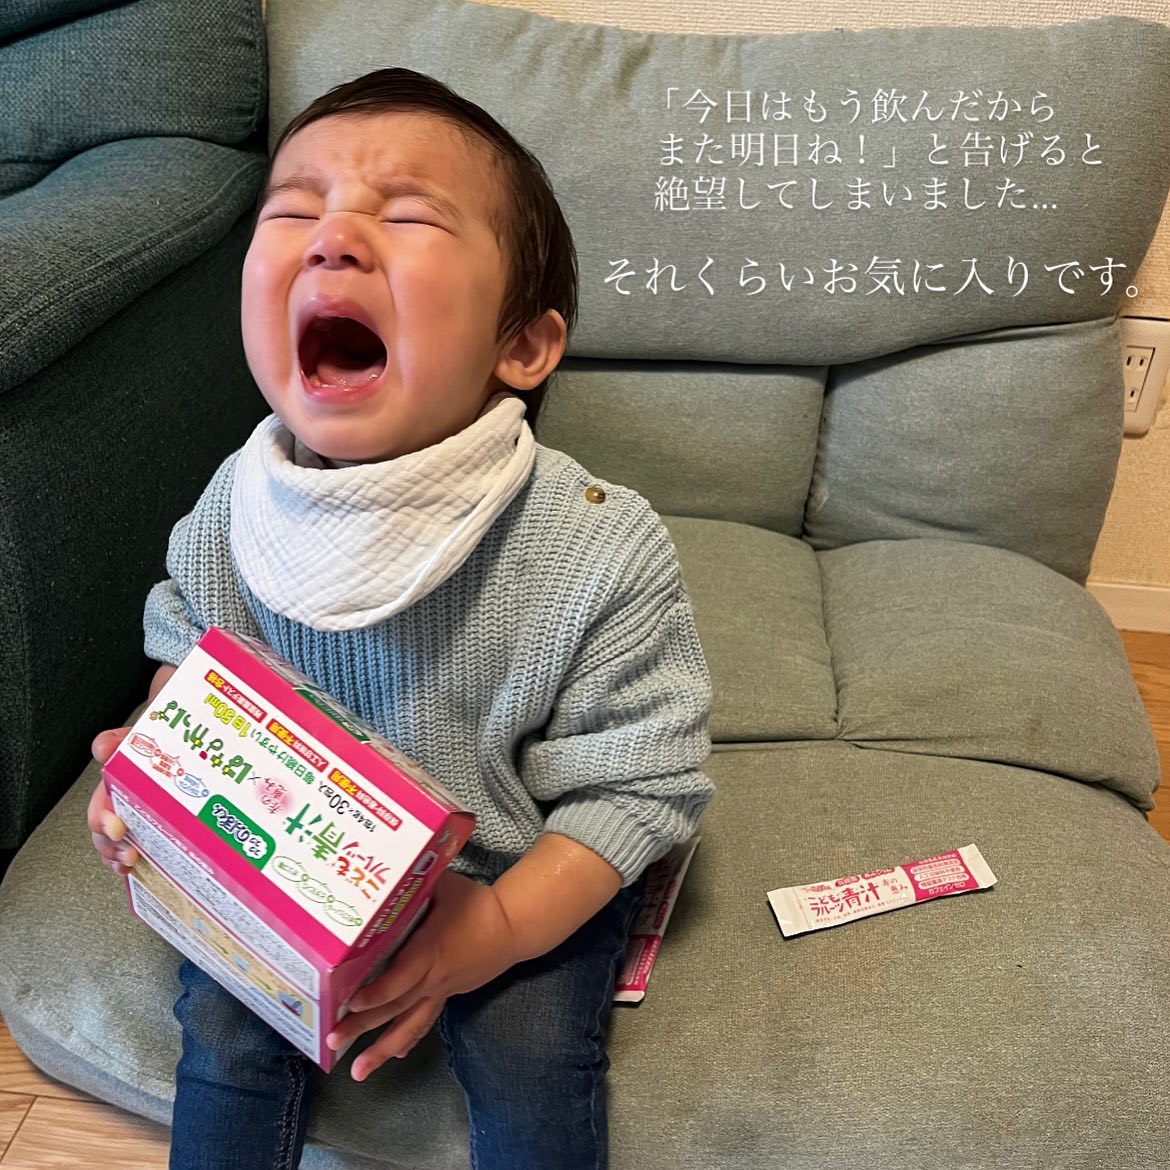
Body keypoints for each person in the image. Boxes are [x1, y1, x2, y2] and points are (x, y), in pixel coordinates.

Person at [86, 67, 714, 1170]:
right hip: (299, 860)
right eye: (294, 210)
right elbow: (190, 657)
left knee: (529, 1053)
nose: (333, 241)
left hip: (511, 860)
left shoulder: (598, 549)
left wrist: (499, 929)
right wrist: (159, 772)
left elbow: (635, 788)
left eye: (410, 216)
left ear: (523, 346)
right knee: (226, 1033)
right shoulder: (239, 501)